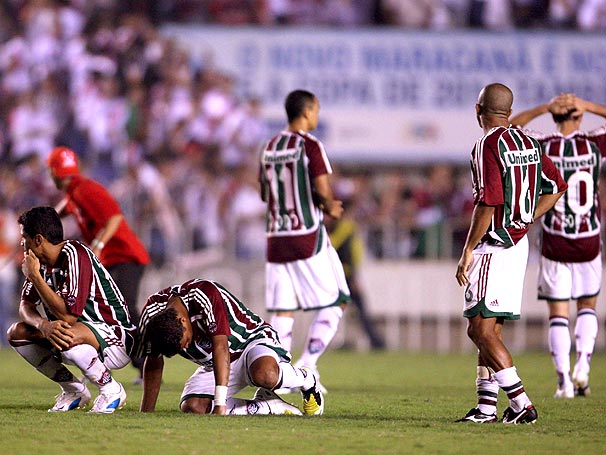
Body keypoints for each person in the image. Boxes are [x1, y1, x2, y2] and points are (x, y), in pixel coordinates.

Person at [455, 83, 567, 424]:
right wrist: (529, 216)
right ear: (508, 109)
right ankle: (487, 407)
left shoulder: (487, 144)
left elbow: (488, 201)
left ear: (479, 110)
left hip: (495, 244)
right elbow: (558, 185)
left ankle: (522, 404)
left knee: (479, 330)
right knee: (491, 328)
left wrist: (468, 249)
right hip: (518, 243)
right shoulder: (528, 141)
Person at [510, 93, 606, 398]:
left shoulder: (544, 145)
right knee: (587, 306)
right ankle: (584, 368)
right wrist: (589, 105)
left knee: (558, 314)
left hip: (554, 240)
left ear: (554, 116)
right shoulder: (593, 144)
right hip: (588, 238)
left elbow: (511, 127)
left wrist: (543, 107)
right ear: (578, 116)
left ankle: (563, 380)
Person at [258, 89, 351, 393]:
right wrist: (330, 206)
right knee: (337, 300)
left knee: (282, 311)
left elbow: (264, 193)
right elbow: (323, 191)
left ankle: (278, 376)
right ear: (308, 111)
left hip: (275, 239)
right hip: (306, 236)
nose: (317, 115)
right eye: (317, 109)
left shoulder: (269, 147)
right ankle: (308, 364)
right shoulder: (310, 145)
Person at [6, 206, 134, 413]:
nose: (22, 243)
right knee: (17, 333)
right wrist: (42, 324)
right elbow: (25, 306)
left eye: (25, 237)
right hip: (76, 334)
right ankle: (73, 390)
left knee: (65, 331)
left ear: (38, 239)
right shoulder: (40, 263)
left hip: (116, 336)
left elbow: (68, 316)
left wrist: (36, 278)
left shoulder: (75, 254)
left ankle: (111, 389)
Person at [135, 278, 324, 416]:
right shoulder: (151, 315)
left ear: (183, 321)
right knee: (193, 406)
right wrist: (146, 413)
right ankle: (267, 406)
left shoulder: (203, 293)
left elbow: (221, 347)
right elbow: (153, 361)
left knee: (265, 375)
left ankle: (307, 379)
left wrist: (220, 404)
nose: (185, 347)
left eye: (184, 341)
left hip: (250, 343)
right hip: (216, 364)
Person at [46, 146, 151, 382]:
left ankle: (146, 364)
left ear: (52, 171)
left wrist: (98, 245)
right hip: (114, 258)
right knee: (108, 311)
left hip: (124, 255)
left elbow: (114, 217)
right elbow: (62, 209)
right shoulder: (75, 191)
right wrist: (44, 218)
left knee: (124, 310)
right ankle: (104, 362)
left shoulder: (85, 190)